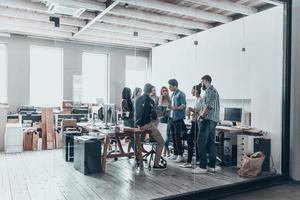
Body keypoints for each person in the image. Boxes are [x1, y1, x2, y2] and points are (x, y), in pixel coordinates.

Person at [193, 75, 221, 174]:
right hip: (213, 120)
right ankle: (211, 166)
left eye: (202, 83)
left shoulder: (209, 90)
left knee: (200, 142)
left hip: (207, 119)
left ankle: (202, 166)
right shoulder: (214, 91)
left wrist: (201, 116)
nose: (201, 85)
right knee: (211, 142)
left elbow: (208, 106)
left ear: (205, 81)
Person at [135, 83, 166, 170]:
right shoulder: (150, 100)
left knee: (140, 141)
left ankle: (138, 158)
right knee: (161, 142)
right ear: (151, 90)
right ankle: (156, 164)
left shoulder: (138, 99)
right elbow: (154, 115)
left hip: (138, 126)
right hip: (147, 125)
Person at [180, 84, 203, 168]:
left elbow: (200, 112)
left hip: (196, 123)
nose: (191, 92)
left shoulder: (200, 99)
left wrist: (190, 109)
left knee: (190, 141)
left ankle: (189, 162)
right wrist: (192, 111)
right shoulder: (197, 99)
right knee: (195, 142)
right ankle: (196, 160)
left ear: (196, 91)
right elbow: (197, 111)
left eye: (192, 90)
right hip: (194, 122)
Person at [168, 79, 187, 163]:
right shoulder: (172, 95)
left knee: (177, 136)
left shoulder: (181, 94)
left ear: (175, 86)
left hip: (178, 119)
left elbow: (183, 106)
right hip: (172, 118)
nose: (169, 87)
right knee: (173, 136)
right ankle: (175, 153)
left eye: (170, 86)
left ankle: (180, 155)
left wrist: (175, 108)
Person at [158, 86, 171, 157]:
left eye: (165, 90)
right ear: (161, 92)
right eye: (163, 91)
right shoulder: (160, 99)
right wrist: (161, 99)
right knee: (163, 136)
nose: (164, 92)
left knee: (167, 135)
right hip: (161, 119)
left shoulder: (169, 99)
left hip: (168, 118)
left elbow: (171, 109)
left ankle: (167, 150)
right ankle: (166, 150)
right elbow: (159, 110)